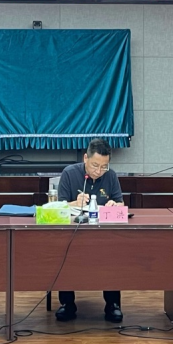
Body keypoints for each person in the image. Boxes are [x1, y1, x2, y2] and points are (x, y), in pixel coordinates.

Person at [56, 138, 124, 323]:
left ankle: (113, 305)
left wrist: (114, 205)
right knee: (64, 251)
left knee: (113, 255)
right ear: (85, 158)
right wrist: (74, 203)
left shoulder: (111, 176)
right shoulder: (69, 173)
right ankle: (67, 304)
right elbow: (59, 207)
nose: (98, 171)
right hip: (74, 234)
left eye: (104, 166)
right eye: (95, 165)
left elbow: (120, 203)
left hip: (104, 236)